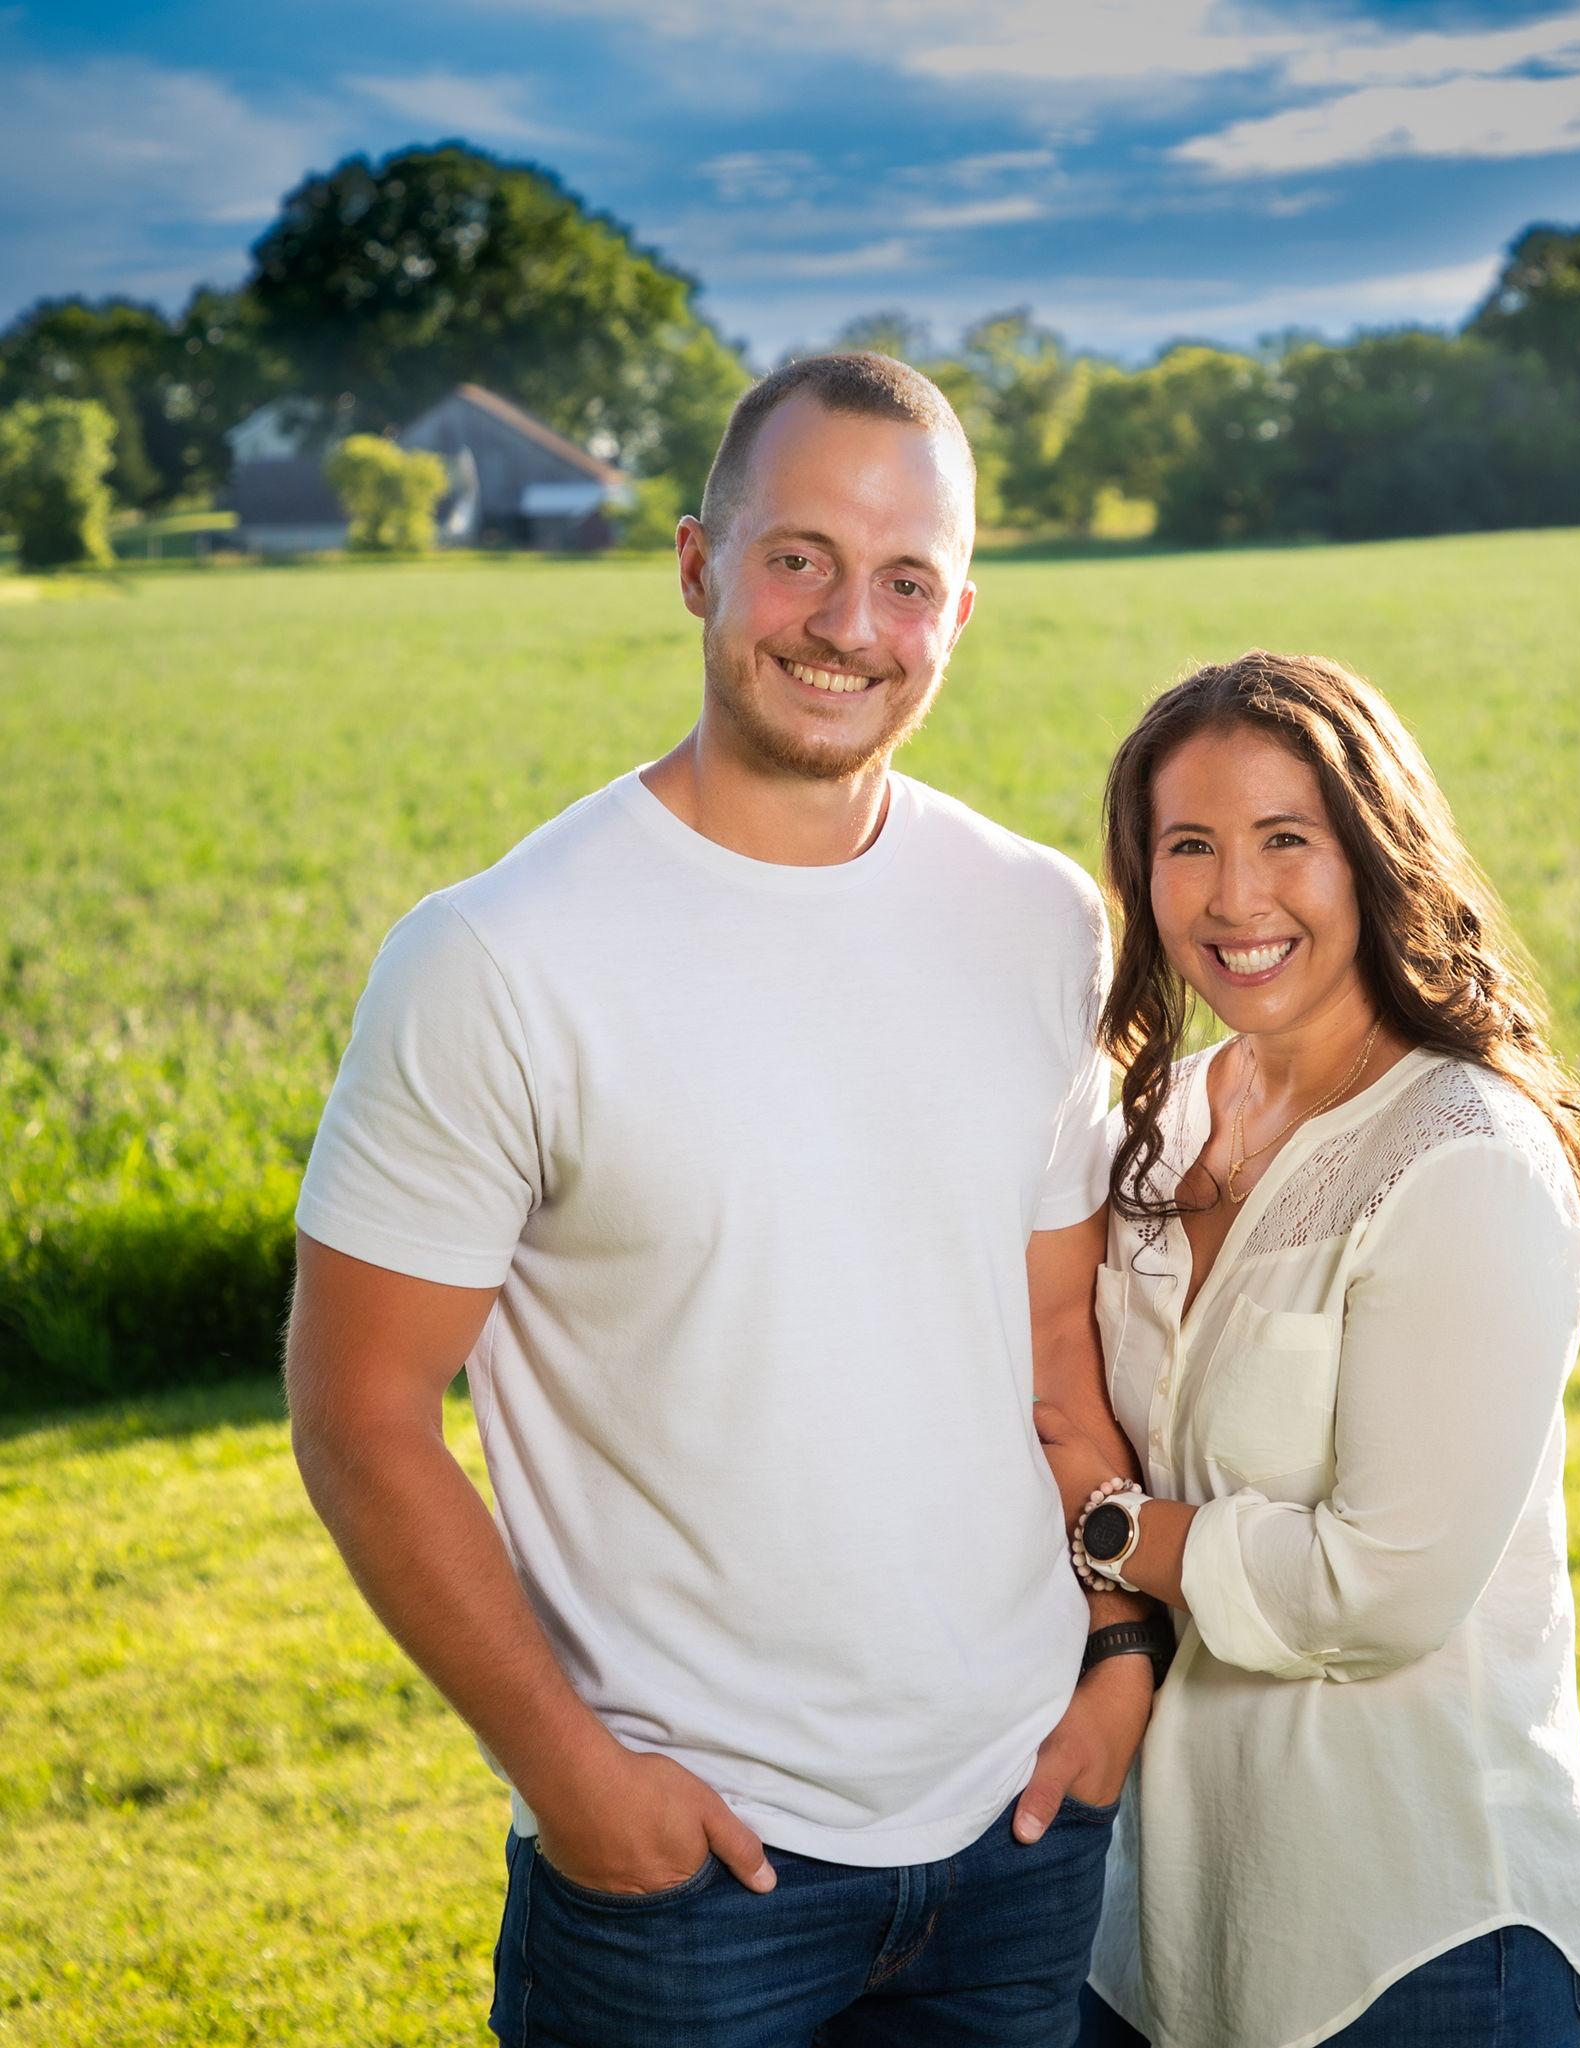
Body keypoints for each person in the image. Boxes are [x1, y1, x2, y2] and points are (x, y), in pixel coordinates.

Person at [285, 353, 1169, 2048]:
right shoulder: (495, 960)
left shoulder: (1043, 920)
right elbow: (361, 1414)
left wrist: (1120, 1653)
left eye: (906, 579)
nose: (849, 621)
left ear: (959, 615)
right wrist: (574, 1781)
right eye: (800, 558)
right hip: (691, 1886)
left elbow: (1059, 1353)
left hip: (1020, 1832)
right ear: (699, 564)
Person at [1032, 650, 1580, 2048]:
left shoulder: (1464, 1158)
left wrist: (1116, 1531)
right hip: (1159, 1922)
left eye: (1284, 842)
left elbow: (1378, 1587)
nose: (1235, 898)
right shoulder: (1158, 1121)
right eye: (1188, 846)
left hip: (1414, 1935)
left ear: (1376, 854)